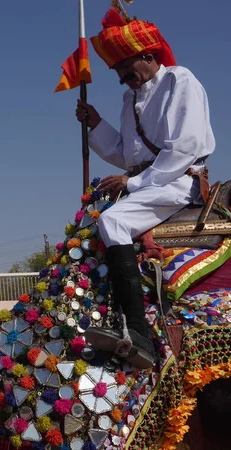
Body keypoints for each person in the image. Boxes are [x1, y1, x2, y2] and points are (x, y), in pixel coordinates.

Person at [75, 8, 215, 368]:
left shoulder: (179, 81)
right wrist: (96, 125)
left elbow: (182, 148)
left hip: (177, 182)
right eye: (121, 77)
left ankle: (138, 333)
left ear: (149, 57)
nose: (126, 80)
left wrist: (133, 182)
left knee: (114, 223)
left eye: (129, 71)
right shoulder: (130, 100)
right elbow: (126, 154)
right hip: (150, 184)